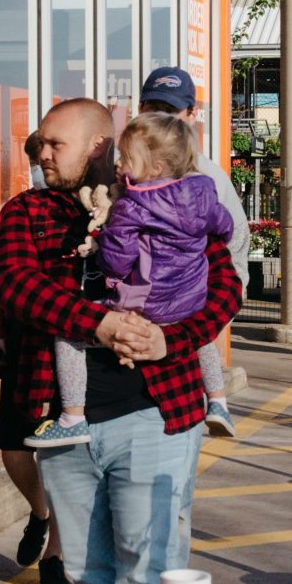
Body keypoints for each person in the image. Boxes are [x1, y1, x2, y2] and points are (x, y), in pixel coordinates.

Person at [0, 98, 240, 584]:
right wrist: (97, 322)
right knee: (91, 572)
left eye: (55, 144)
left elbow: (226, 288)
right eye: (38, 144)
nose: (42, 155)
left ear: (104, 146)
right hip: (65, 420)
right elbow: (16, 286)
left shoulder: (177, 200)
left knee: (147, 566)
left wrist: (168, 336)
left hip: (157, 411)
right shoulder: (27, 215)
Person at [26, 112, 234, 451]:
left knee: (68, 338)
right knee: (203, 340)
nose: (119, 163)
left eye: (126, 156)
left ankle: (72, 417)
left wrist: (104, 244)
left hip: (145, 300)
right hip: (190, 300)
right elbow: (224, 229)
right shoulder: (203, 193)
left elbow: (116, 262)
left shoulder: (133, 204)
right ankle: (219, 401)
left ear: (152, 167)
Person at [137, 66, 249, 437]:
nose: (160, 118)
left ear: (191, 116)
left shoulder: (209, 179)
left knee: (175, 432)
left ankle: (214, 402)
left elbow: (233, 260)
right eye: (151, 106)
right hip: (130, 326)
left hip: (184, 321)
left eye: (171, 111)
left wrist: (201, 317)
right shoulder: (119, 169)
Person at [0, 130, 71, 584]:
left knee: (62, 453)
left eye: (53, 153)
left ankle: (55, 554)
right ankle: (40, 513)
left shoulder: (96, 207)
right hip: (26, 343)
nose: (45, 163)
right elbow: (0, 278)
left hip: (77, 347)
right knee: (14, 446)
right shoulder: (20, 211)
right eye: (38, 157)